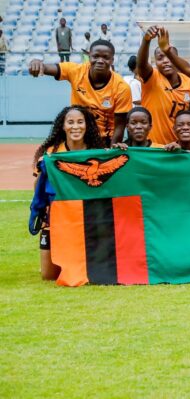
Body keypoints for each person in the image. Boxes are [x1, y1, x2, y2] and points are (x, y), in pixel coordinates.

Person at [32, 106, 105, 280]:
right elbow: (37, 189)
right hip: (57, 217)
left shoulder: (97, 152)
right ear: (63, 127)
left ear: (87, 125)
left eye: (80, 122)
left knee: (91, 271)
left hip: (87, 217)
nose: (75, 127)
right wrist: (43, 169)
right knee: (48, 276)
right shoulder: (52, 153)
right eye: (70, 122)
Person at [28, 40, 131, 144]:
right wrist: (38, 63)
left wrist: (111, 151)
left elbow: (120, 127)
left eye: (105, 57)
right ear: (89, 56)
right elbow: (48, 68)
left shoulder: (121, 88)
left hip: (104, 141)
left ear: (112, 60)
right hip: (78, 137)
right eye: (95, 56)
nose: (100, 61)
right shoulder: (76, 71)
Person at [137, 27, 190, 145]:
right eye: (160, 58)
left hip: (180, 148)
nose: (165, 61)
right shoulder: (151, 77)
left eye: (169, 57)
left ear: (176, 59)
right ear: (155, 62)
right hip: (154, 146)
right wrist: (146, 41)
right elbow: (141, 65)